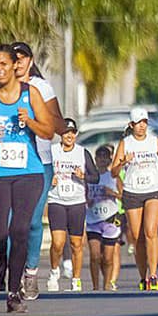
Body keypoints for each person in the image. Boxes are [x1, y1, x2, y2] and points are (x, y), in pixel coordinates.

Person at [0, 44, 54, 313]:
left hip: (29, 172)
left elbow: (49, 131)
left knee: (19, 230)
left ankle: (14, 292)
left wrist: (30, 122)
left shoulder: (31, 94)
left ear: (15, 66)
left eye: (4, 64)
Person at [12, 41, 67, 301]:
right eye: (13, 58)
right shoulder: (1, 90)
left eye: (22, 58)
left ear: (30, 61)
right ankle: (12, 273)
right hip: (10, 164)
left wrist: (37, 113)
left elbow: (59, 126)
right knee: (10, 222)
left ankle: (31, 273)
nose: (17, 62)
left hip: (40, 161)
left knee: (32, 220)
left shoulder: (41, 88)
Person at [111, 107, 158, 291]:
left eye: (144, 122)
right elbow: (114, 172)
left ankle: (153, 275)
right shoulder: (125, 143)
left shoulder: (155, 141)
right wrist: (123, 162)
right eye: (138, 123)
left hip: (154, 189)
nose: (142, 126)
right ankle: (143, 276)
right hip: (132, 191)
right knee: (137, 237)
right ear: (132, 125)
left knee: (150, 231)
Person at [46, 118, 98, 292]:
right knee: (58, 243)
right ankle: (54, 272)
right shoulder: (52, 152)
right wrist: (49, 179)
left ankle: (76, 279)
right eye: (66, 132)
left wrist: (83, 176)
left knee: (77, 244)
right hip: (57, 200)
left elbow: (95, 176)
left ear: (76, 135)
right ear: (60, 134)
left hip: (76, 202)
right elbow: (40, 172)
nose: (69, 136)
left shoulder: (82, 153)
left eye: (72, 133)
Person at [86, 144, 123, 291]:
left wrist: (112, 193)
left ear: (109, 159)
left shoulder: (113, 177)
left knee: (108, 257)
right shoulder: (89, 177)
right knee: (95, 255)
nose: (102, 160)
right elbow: (82, 193)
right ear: (95, 159)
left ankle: (107, 284)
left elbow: (124, 196)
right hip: (92, 220)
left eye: (105, 157)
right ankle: (95, 287)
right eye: (99, 157)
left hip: (110, 219)